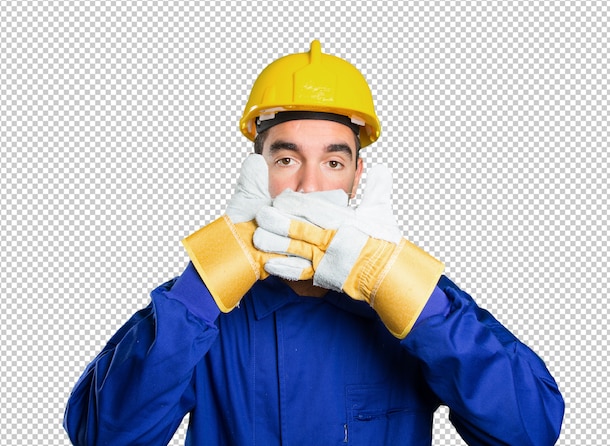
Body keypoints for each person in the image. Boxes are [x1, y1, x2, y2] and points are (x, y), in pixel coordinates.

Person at [64, 40, 564, 445]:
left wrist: (402, 286)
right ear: (256, 172)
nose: (308, 187)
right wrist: (207, 279)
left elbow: (531, 429)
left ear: (357, 177)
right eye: (286, 160)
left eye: (333, 162)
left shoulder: (414, 302)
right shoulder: (201, 306)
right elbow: (101, 436)